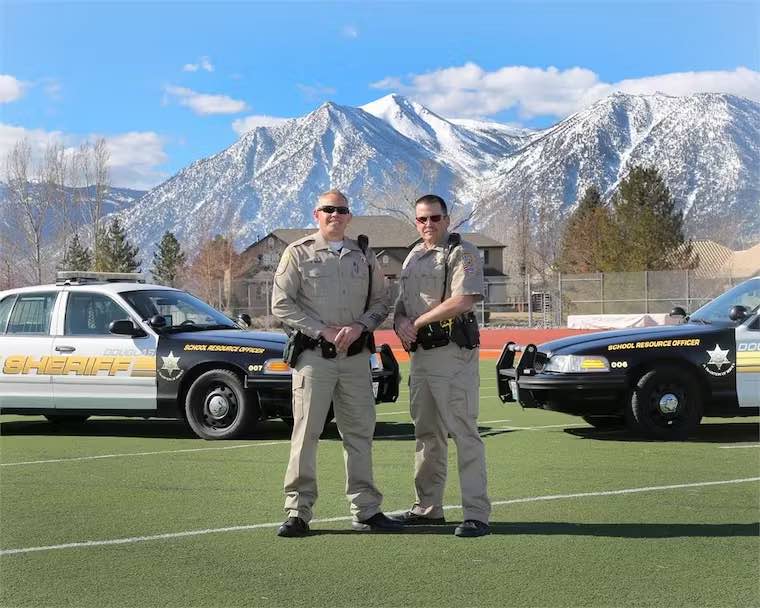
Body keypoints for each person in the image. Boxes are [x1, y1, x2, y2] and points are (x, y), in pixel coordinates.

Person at [271, 189, 403, 537]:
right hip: (315, 358)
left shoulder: (363, 254)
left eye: (341, 210)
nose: (335, 215)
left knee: (359, 435)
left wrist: (361, 326)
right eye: (328, 209)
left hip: (357, 359)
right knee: (306, 435)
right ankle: (298, 512)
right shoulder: (297, 253)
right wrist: (322, 331)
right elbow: (281, 304)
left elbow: (381, 302)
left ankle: (367, 510)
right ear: (316, 214)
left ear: (348, 216)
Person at [393, 194, 491, 537]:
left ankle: (476, 514)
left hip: (452, 354)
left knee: (463, 432)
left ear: (447, 220)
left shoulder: (462, 252)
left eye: (435, 218)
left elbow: (463, 299)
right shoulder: (412, 256)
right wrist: (401, 322)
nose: (428, 225)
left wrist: (416, 323)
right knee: (426, 434)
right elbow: (401, 305)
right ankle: (427, 508)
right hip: (420, 356)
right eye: (422, 219)